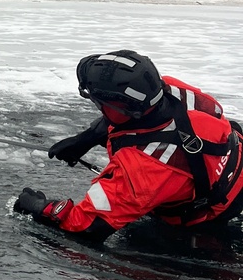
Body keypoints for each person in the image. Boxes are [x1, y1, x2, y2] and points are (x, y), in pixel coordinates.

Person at [13, 49, 243, 241]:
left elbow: (84, 227)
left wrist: (38, 207)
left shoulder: (144, 167)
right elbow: (129, 116)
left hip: (212, 216)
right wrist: (86, 139)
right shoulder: (168, 91)